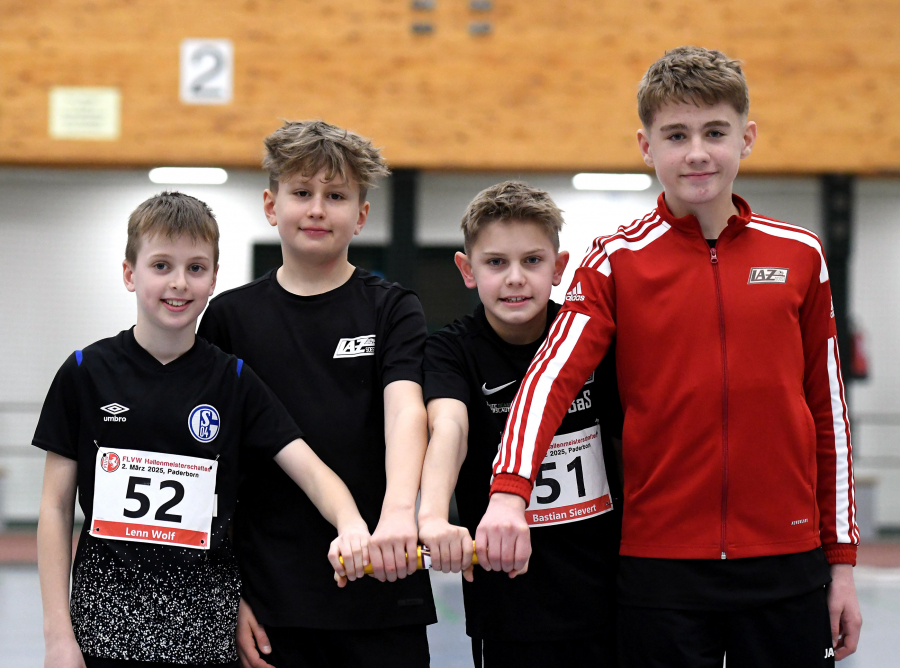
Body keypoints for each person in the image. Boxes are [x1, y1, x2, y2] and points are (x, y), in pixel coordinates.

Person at [476, 46, 862, 667]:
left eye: (715, 132)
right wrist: (508, 493)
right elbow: (549, 376)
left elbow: (829, 414)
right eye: (675, 135)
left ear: (748, 137)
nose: (697, 152)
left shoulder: (801, 255)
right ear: (646, 145)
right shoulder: (615, 260)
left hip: (788, 562)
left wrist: (840, 561)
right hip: (661, 568)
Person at [35, 192, 371, 668]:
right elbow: (53, 508)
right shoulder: (86, 373)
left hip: (205, 641)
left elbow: (312, 471)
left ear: (214, 278)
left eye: (196, 268)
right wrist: (58, 639)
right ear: (130, 274)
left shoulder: (234, 381)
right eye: (161, 266)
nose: (178, 283)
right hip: (101, 638)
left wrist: (350, 522)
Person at [198, 120, 435, 668]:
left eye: (336, 196)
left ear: (362, 214)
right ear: (270, 204)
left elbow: (405, 412)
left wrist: (399, 513)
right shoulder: (230, 318)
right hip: (270, 600)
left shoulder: (392, 307)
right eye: (301, 193)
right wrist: (224, 594)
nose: (317, 209)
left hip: (382, 579)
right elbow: (211, 466)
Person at [418, 181, 624, 667]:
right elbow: (451, 427)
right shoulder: (450, 351)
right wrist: (431, 515)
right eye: (496, 263)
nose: (515, 278)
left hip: (609, 590)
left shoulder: (591, 341)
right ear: (467, 270)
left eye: (532, 261)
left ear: (559, 266)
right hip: (511, 601)